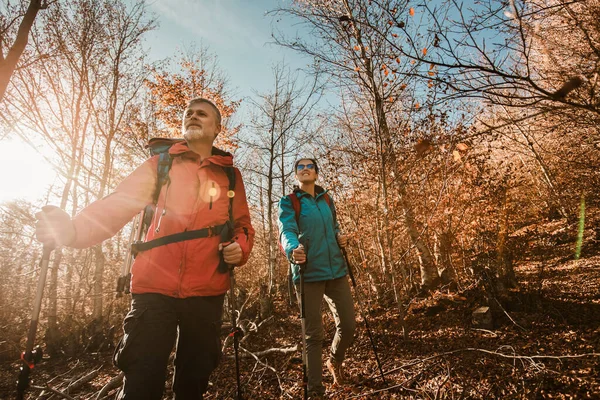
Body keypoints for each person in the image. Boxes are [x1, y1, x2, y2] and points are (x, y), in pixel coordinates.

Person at [35, 97, 255, 400]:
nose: (192, 116)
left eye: (202, 114)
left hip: (207, 292)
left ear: (217, 127)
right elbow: (118, 203)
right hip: (154, 289)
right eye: (188, 113)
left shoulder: (230, 174)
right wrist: (73, 231)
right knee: (140, 380)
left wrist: (240, 249)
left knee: (194, 381)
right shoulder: (161, 164)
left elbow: (243, 226)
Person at [277, 158, 356, 399]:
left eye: (309, 166)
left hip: (336, 270)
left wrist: (340, 236)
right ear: (296, 175)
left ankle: (335, 360)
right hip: (307, 272)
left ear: (316, 173)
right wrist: (292, 249)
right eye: (300, 167)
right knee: (313, 335)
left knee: (349, 326)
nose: (305, 169)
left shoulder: (327, 199)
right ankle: (315, 392)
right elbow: (286, 229)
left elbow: (334, 227)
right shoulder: (289, 202)